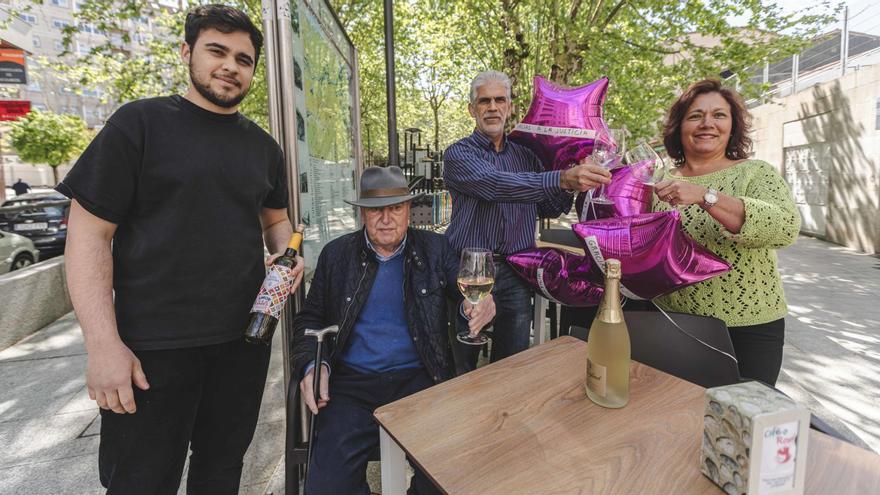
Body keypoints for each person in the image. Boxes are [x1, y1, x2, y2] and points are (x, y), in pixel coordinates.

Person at [56, 5, 304, 494]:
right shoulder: (138, 124)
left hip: (244, 343)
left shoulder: (264, 149)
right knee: (141, 482)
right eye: (217, 51)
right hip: (151, 351)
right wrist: (103, 346)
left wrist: (287, 256)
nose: (231, 66)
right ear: (187, 52)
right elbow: (88, 238)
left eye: (244, 58)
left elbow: (277, 222)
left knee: (221, 470)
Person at [292, 166, 496, 494]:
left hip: (422, 379)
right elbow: (309, 319)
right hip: (351, 384)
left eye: (395, 208)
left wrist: (479, 306)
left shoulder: (434, 249)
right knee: (326, 487)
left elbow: (464, 299)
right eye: (376, 210)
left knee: (446, 477)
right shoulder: (336, 255)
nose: (386, 219)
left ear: (408, 211)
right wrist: (313, 365)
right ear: (362, 215)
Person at [443, 70, 610, 370]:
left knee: (512, 362)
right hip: (469, 271)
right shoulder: (458, 154)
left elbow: (550, 206)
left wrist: (572, 178)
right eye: (484, 101)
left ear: (509, 107)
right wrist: (558, 177)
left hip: (518, 269)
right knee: (460, 361)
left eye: (499, 100)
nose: (492, 107)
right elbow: (494, 185)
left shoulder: (526, 156)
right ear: (472, 109)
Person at [652, 78, 800, 386]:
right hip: (672, 322)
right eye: (695, 116)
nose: (707, 123)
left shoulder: (755, 172)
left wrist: (707, 196)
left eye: (719, 115)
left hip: (749, 325)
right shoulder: (656, 180)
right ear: (679, 126)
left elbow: (785, 227)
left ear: (732, 127)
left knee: (741, 421)